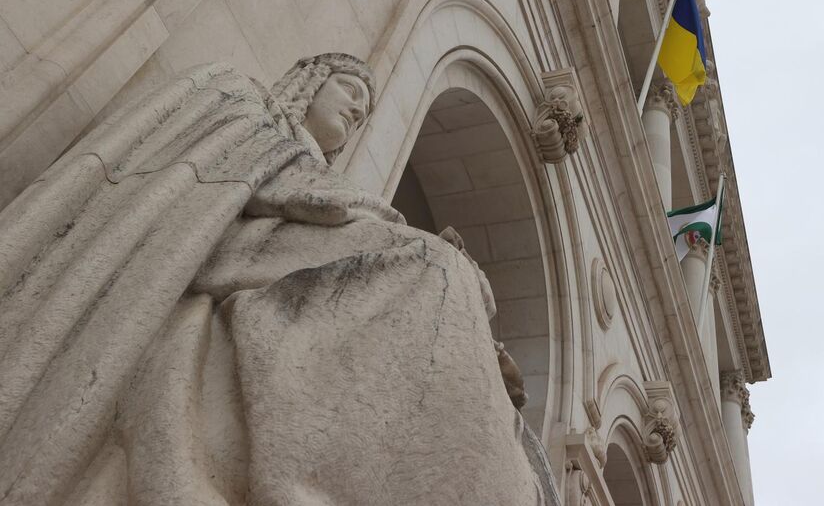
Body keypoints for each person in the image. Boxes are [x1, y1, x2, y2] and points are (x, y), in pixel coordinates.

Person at [0, 54, 559, 505]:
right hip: (238, 242)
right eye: (349, 92)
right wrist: (395, 230)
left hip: (288, 247)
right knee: (435, 271)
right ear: (310, 81)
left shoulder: (310, 162)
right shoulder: (249, 110)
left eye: (365, 114)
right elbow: (290, 194)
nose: (356, 113)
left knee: (440, 282)